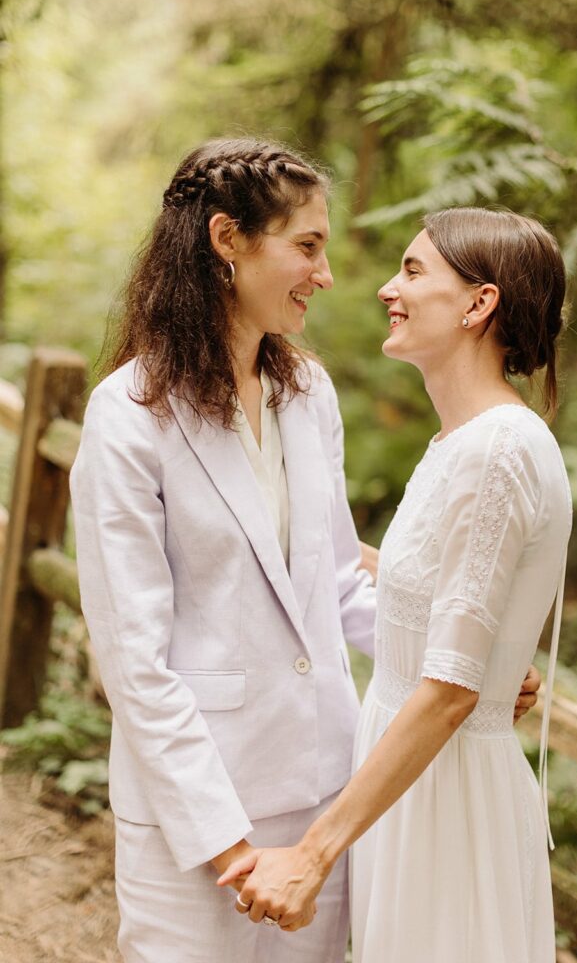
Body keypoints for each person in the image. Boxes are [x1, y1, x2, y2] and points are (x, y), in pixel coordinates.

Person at [70, 139, 542, 963]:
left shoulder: (308, 393)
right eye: (306, 246)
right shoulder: (128, 415)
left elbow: (331, 583)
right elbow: (131, 662)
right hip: (196, 815)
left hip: (323, 783)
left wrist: (453, 653)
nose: (325, 274)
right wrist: (228, 849)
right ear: (227, 240)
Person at [220, 206, 572, 963]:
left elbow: (447, 691)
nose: (387, 287)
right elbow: (424, 587)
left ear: (479, 304)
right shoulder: (459, 441)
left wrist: (311, 855)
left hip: (445, 802)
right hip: (410, 790)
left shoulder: (498, 452)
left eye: (412, 271)